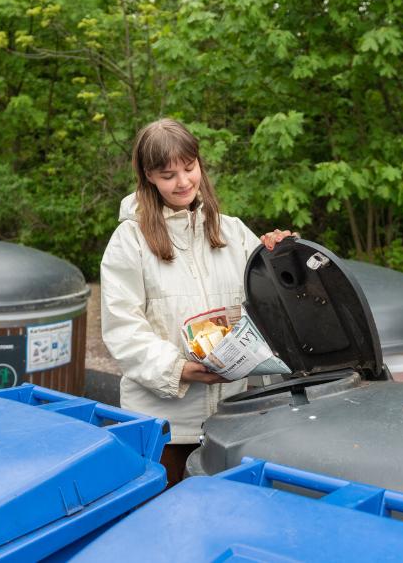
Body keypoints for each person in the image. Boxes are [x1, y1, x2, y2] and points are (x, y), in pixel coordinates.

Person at [100, 118, 292, 484]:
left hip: (230, 421)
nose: (183, 181)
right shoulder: (130, 241)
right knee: (165, 522)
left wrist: (282, 254)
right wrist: (178, 369)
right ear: (148, 177)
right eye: (168, 174)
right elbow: (122, 327)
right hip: (162, 427)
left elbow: (272, 299)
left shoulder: (232, 231)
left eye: (189, 168)